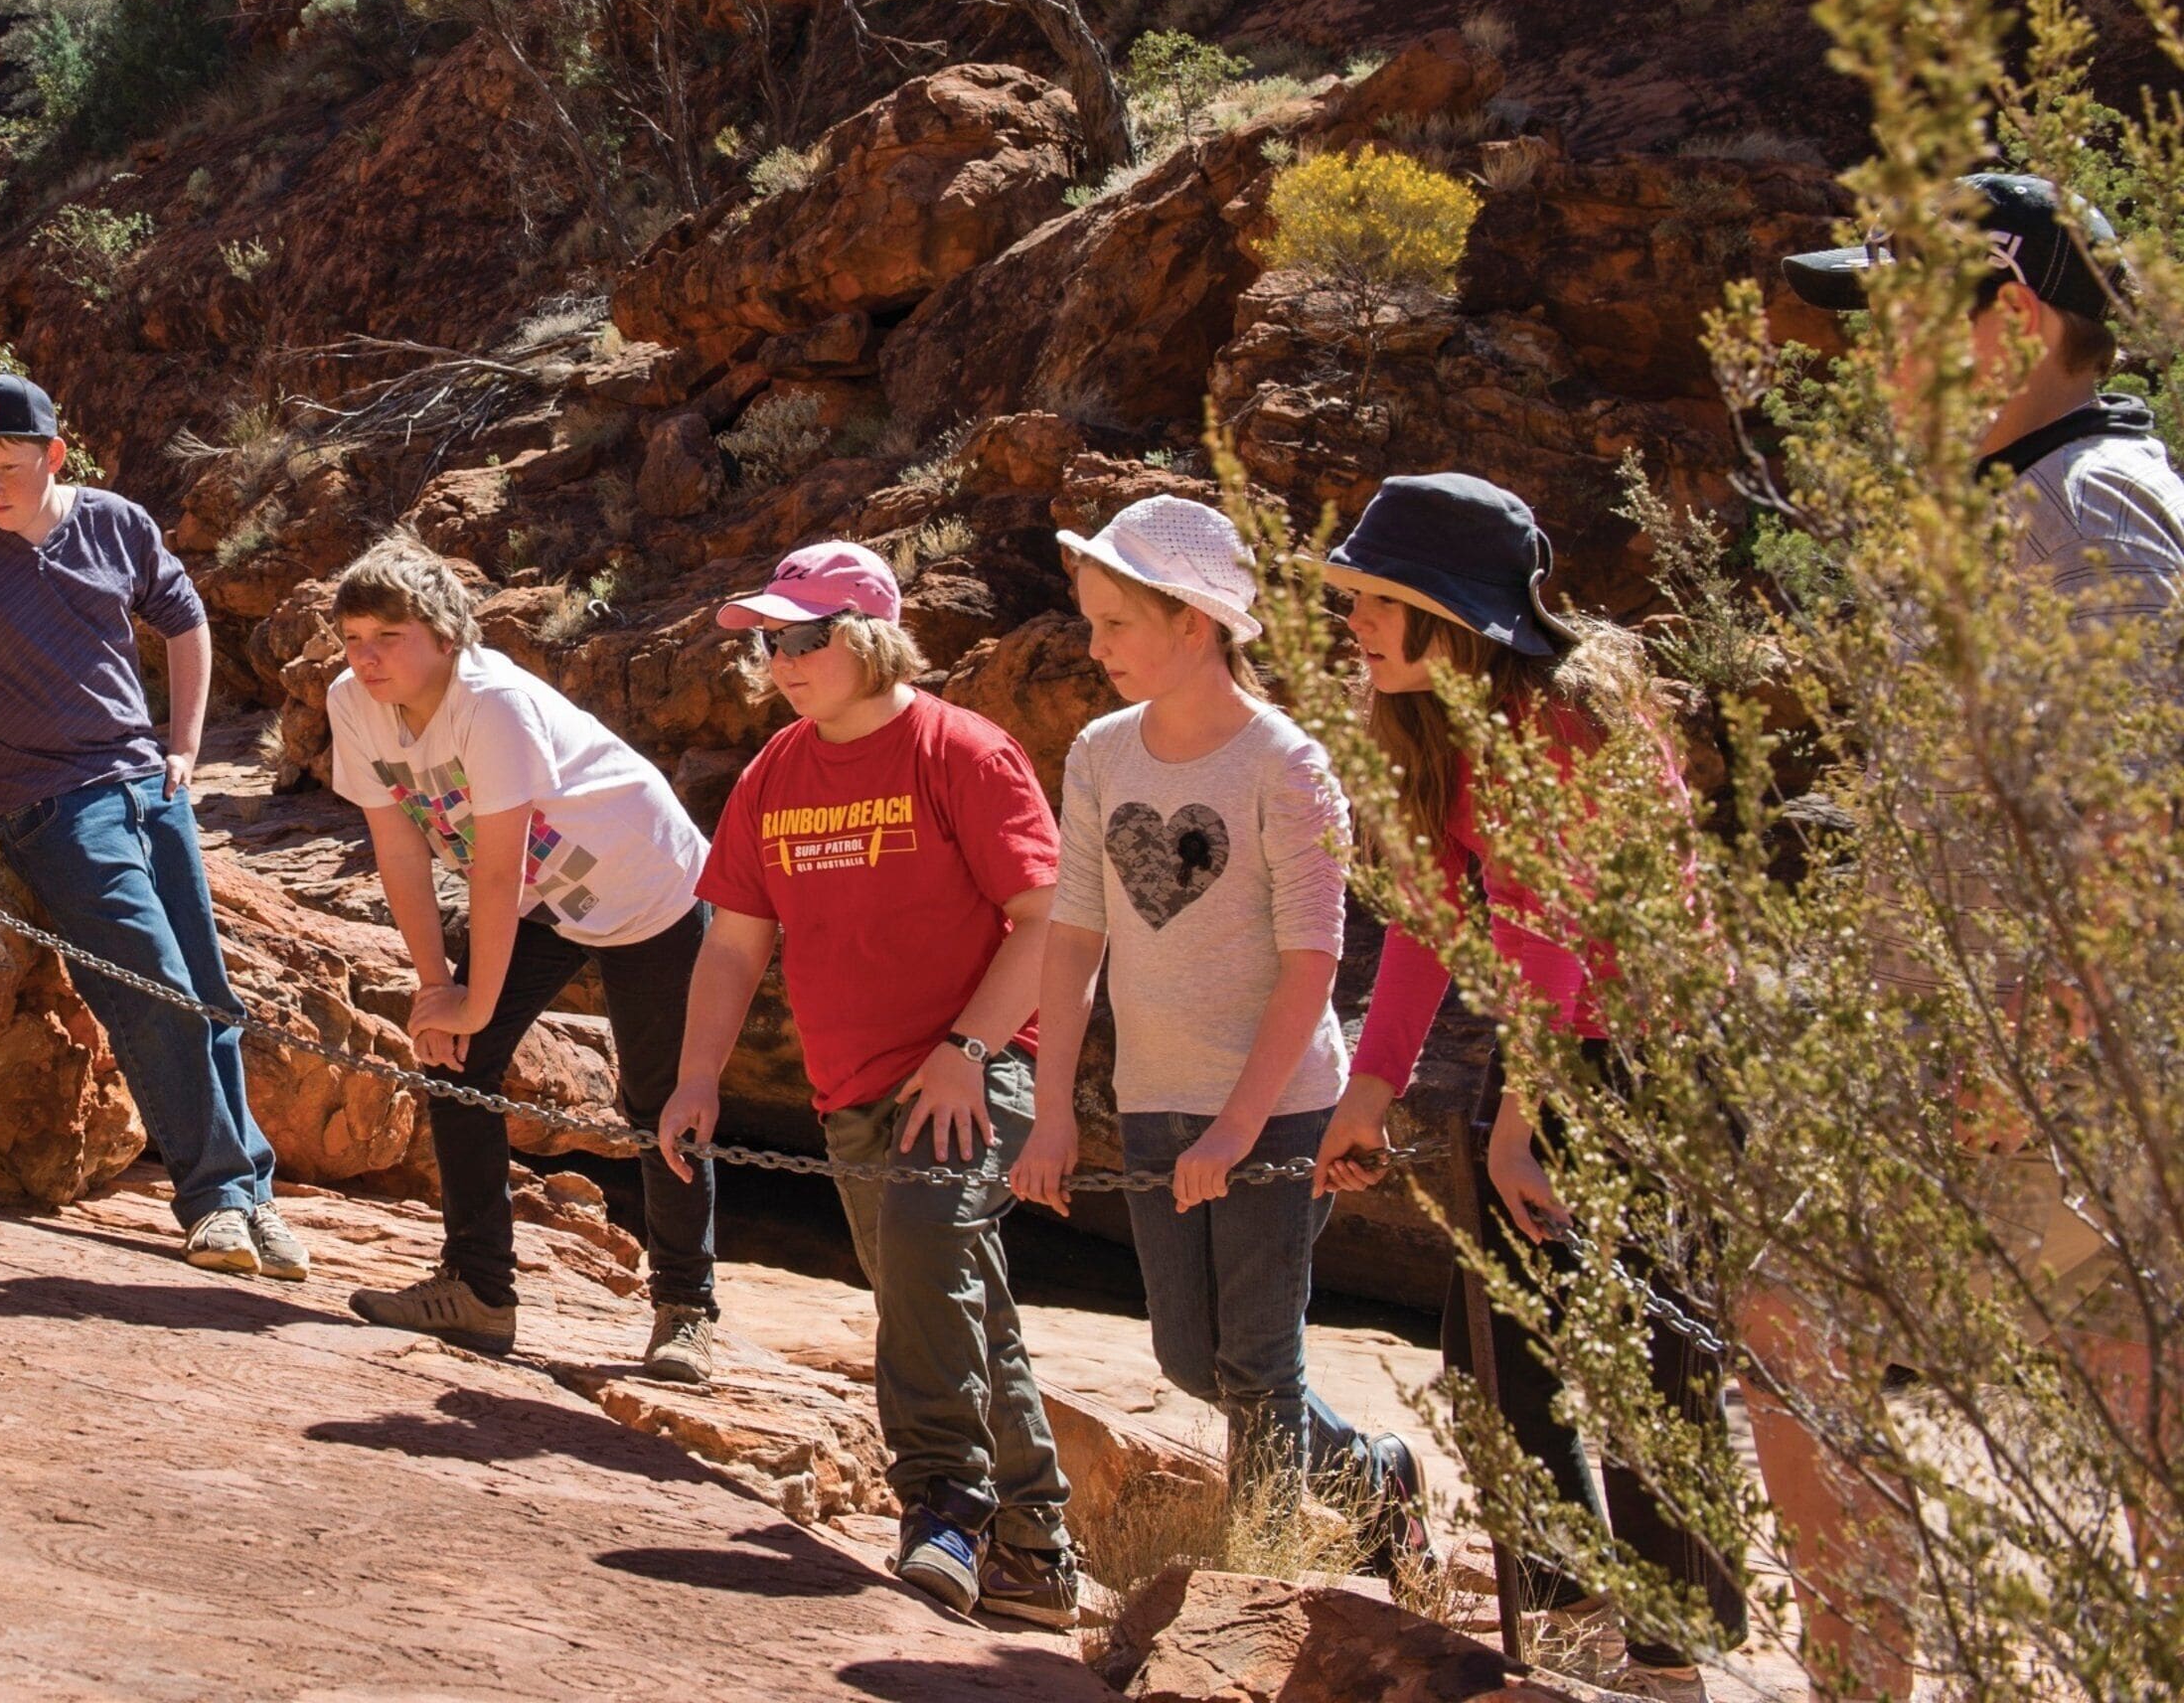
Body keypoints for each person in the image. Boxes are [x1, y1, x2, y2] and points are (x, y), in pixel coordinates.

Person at [1749, 174, 2184, 1699]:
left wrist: (2034, 1039)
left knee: (1811, 1312)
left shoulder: (2091, 504)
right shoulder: (2023, 500)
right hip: (2017, 1068)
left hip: (2069, 1079)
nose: (1867, 356)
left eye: (1897, 318)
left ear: (2011, 318)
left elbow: (2151, 792)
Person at [1305, 473, 1745, 1662]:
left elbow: (1554, 931)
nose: (1353, 623)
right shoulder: (1441, 719)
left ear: (1441, 606)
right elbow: (1428, 920)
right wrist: (1368, 1095)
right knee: (1500, 1349)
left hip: (1649, 1067)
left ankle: (1667, 1649)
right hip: (1559, 1062)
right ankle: (1565, 1615)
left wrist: (1515, 1127)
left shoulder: (1561, 718)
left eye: (1371, 599)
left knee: (1652, 1360)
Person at [652, 542, 1082, 1626]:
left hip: (977, 1071)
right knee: (945, 1302)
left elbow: (1050, 925)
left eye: (804, 637)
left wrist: (969, 1051)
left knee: (934, 1262)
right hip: (851, 1087)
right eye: (768, 640)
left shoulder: (964, 752)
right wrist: (696, 1076)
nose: (781, 661)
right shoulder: (775, 773)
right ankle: (1036, 1552)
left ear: (870, 635)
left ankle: (944, 1506)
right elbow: (733, 946)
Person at [1009, 495, 1428, 1566]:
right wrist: (1052, 1113)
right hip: (1154, 1101)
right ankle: (1377, 1476)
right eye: (1092, 621)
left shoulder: (1287, 766)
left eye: (1117, 625)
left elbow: (1313, 961)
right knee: (1190, 1356)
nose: (1094, 647)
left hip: (1279, 1111)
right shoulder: (1101, 754)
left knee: (1258, 1362)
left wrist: (1240, 1129)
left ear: (1193, 623)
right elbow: (1074, 941)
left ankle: (1261, 1571)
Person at [0, 374, 302, 1280]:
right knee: (153, 984)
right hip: (47, 804)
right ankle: (214, 1201)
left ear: (53, 456)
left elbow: (185, 618)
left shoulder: (117, 524)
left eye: (9, 464)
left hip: (146, 786)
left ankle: (255, 1200)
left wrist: (186, 745)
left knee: (209, 994)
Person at [322, 540, 719, 1379]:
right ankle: (477, 1290)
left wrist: (470, 996)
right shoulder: (353, 703)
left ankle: (685, 1307)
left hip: (645, 886)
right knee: (456, 1056)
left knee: (659, 1100)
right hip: (545, 898)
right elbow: (398, 847)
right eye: (351, 636)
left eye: (386, 635)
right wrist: (439, 991)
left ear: (440, 632)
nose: (365, 655)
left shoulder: (490, 702)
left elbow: (495, 869)